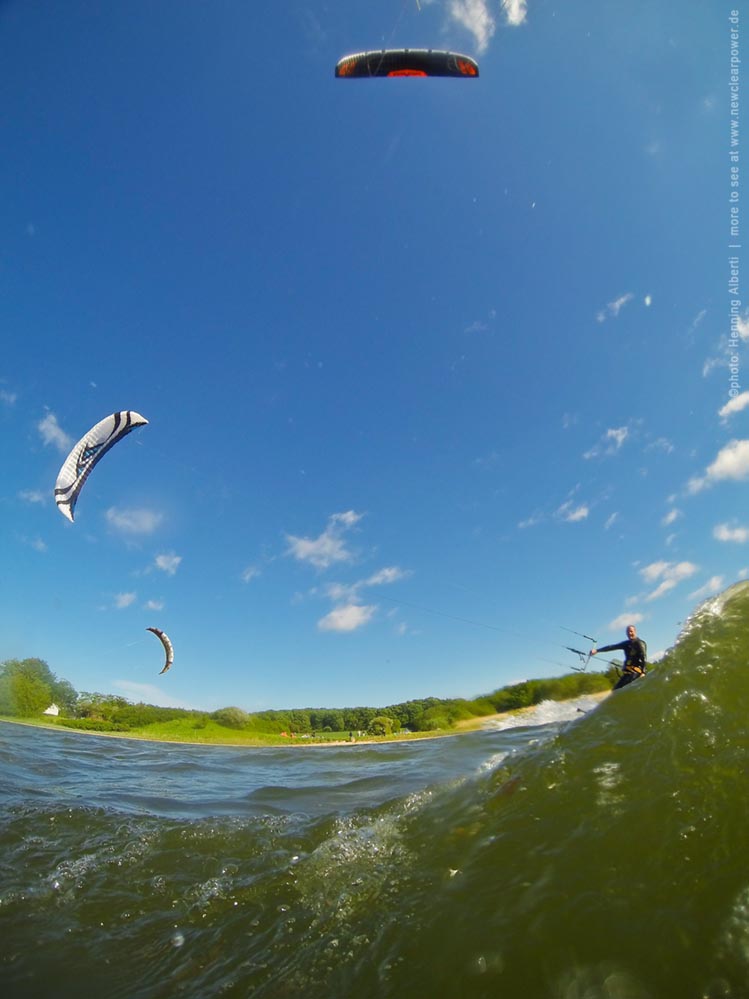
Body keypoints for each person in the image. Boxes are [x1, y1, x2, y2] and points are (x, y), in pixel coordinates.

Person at [590, 624, 647, 690]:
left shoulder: (639, 643)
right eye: (628, 632)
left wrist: (643, 673)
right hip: (628, 673)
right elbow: (612, 647)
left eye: (631, 631)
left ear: (635, 632)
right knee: (615, 690)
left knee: (620, 690)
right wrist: (597, 650)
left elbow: (644, 658)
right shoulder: (626, 644)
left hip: (637, 672)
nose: (629, 633)